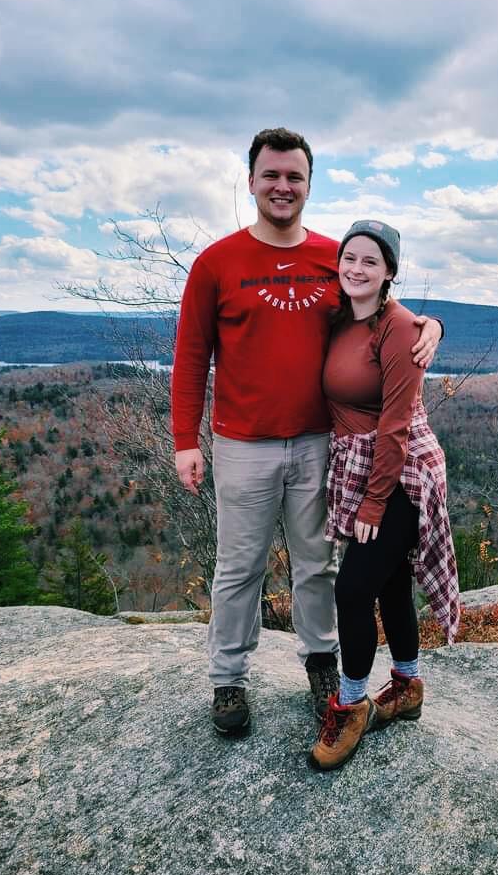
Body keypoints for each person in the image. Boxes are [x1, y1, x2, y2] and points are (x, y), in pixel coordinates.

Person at [171, 128, 443, 736]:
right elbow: (190, 356)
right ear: (251, 182)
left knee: (316, 564)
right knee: (239, 567)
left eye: (294, 176)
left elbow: (382, 310)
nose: (282, 186)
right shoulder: (218, 263)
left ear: (309, 185)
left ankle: (322, 664)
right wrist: (185, 440)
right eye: (271, 175)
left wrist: (431, 324)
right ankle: (229, 680)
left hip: (322, 444)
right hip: (242, 443)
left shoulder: (332, 257)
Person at [309, 219, 459, 771]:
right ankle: (408, 685)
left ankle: (351, 705)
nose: (356, 268)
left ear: (390, 271)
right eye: (350, 258)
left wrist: (374, 502)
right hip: (357, 464)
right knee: (391, 580)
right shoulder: (338, 317)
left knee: (351, 589)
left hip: (399, 473)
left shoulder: (396, 329)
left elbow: (395, 424)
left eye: (371, 261)